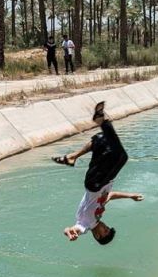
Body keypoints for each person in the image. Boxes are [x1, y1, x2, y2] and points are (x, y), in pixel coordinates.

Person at [53, 102, 143, 245]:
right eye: (108, 228)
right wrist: (130, 196)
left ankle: (100, 121)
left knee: (118, 154)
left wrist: (70, 231)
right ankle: (73, 156)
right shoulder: (97, 215)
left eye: (105, 231)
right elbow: (110, 195)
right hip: (106, 180)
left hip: (94, 183)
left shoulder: (85, 225)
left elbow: (71, 229)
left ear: (98, 236)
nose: (105, 227)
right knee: (106, 143)